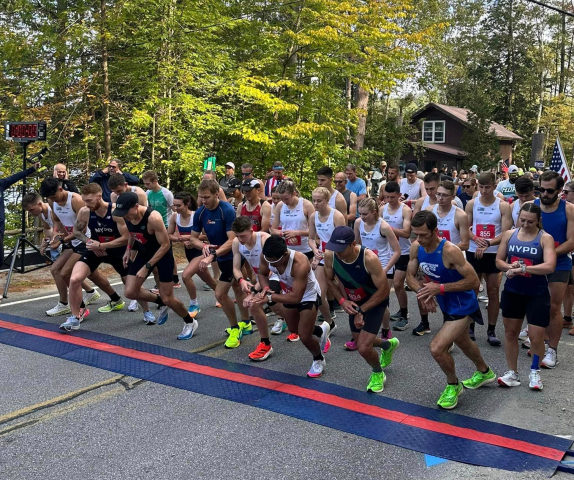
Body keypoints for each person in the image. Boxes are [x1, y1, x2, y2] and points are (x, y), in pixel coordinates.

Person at [406, 211, 496, 410]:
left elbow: (473, 281)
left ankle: (453, 385)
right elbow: (410, 277)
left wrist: (440, 289)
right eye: (416, 235)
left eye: (423, 235)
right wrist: (424, 293)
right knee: (463, 341)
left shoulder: (449, 250)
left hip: (463, 305)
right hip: (446, 304)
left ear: (436, 231)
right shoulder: (416, 247)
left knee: (437, 348)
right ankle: (484, 372)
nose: (419, 239)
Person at [59, 184, 156, 331]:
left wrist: (103, 246)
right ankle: (74, 318)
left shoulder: (116, 211)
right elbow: (77, 232)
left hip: (117, 251)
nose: (87, 204)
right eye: (85, 200)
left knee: (132, 286)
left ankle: (147, 312)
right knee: (74, 279)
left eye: (90, 200)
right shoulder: (85, 212)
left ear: (99, 197)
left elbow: (126, 237)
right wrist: (90, 242)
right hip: (96, 249)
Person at [323, 226, 400, 393]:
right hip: (353, 301)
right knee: (361, 342)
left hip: (375, 300)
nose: (338, 253)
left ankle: (378, 373)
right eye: (335, 248)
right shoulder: (330, 255)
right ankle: (387, 345)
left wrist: (361, 311)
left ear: (353, 244)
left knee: (363, 348)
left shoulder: (369, 258)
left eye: (342, 249)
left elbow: (384, 290)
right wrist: (342, 300)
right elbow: (329, 280)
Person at [113, 191, 197, 338]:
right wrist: (128, 250)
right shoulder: (126, 216)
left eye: (127, 212)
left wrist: (148, 267)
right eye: (122, 213)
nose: (125, 216)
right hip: (144, 253)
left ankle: (190, 322)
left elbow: (165, 245)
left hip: (162, 254)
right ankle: (160, 302)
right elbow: (132, 233)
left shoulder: (153, 218)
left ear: (136, 206)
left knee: (168, 298)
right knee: (130, 292)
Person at [496, 203, 556, 390]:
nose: (526, 224)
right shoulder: (509, 235)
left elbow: (549, 266)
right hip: (513, 292)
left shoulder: (545, 238)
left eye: (530, 221)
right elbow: (499, 261)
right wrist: (509, 268)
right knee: (511, 333)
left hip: (537, 294)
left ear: (539, 221)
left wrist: (524, 269)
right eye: (522, 220)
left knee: (536, 337)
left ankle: (535, 372)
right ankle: (512, 373)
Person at [185, 179, 251, 348]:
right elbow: (193, 238)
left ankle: (235, 328)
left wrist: (211, 255)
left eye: (207, 197)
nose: (204, 201)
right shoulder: (200, 212)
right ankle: (247, 322)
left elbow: (232, 239)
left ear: (216, 194)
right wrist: (204, 246)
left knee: (220, 294)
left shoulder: (226, 210)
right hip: (220, 257)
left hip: (233, 255)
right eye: (201, 197)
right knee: (237, 287)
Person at [253, 235, 330, 378]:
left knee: (305, 336)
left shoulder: (300, 262)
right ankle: (320, 330)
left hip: (308, 294)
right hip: (288, 291)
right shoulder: (267, 256)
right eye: (270, 261)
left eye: (275, 262)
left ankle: (318, 359)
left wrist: (269, 297)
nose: (273, 265)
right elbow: (262, 273)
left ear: (285, 254)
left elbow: (296, 297)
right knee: (294, 329)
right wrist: (265, 288)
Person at [409, 180, 470, 337]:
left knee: (446, 293)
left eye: (444, 195)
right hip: (428, 255)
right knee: (421, 286)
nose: (440, 198)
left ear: (453, 196)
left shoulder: (460, 215)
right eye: (438, 194)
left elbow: (465, 243)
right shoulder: (430, 210)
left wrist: (444, 249)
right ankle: (424, 322)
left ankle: (449, 325)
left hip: (450, 259)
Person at [465, 172, 512, 345]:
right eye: (481, 187)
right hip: (474, 250)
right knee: (473, 290)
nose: (484, 191)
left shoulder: (503, 206)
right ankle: (470, 326)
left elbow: (506, 232)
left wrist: (488, 243)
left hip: (493, 252)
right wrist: (476, 239)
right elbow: (466, 228)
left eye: (487, 187)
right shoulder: (471, 204)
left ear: (494, 186)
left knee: (493, 291)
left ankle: (491, 330)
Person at [533, 171, 574, 368]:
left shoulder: (569, 210)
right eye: (541, 189)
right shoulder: (531, 207)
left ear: (560, 191)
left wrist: (550, 254)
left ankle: (552, 350)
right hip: (534, 263)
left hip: (559, 263)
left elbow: (572, 241)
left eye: (550, 191)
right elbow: (520, 233)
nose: (545, 194)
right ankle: (537, 342)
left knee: (554, 307)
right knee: (535, 305)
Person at [231, 217, 287, 360]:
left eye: (243, 235)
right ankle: (289, 318)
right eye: (237, 235)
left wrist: (254, 292)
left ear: (252, 230)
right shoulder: (237, 243)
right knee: (276, 307)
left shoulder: (264, 240)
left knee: (255, 304)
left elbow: (270, 270)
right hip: (261, 277)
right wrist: (242, 280)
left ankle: (265, 344)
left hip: (276, 274)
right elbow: (236, 269)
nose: (240, 239)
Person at [354, 198, 400, 344]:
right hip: (367, 266)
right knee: (365, 299)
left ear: (374, 212)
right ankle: (361, 333)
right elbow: (357, 245)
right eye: (360, 213)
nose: (362, 217)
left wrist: (386, 269)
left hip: (384, 266)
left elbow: (397, 251)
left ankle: (385, 329)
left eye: (365, 214)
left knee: (380, 302)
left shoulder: (384, 227)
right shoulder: (358, 223)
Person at [309, 187, 346, 333]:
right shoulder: (313, 217)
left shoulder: (336, 216)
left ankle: (359, 324)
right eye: (314, 201)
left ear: (327, 201)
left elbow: (344, 240)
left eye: (319, 201)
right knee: (318, 293)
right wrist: (315, 250)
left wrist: (330, 252)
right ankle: (329, 322)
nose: (316, 204)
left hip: (339, 256)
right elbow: (311, 239)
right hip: (323, 257)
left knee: (347, 293)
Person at [167, 191, 205, 320]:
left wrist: (190, 238)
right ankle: (222, 295)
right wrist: (179, 240)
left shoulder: (196, 216)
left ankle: (194, 304)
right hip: (188, 251)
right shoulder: (174, 217)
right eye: (174, 206)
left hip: (201, 251)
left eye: (179, 206)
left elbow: (206, 235)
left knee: (186, 276)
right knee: (208, 280)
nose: (176, 208)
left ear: (187, 204)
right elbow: (169, 235)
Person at [381, 181, 412, 329]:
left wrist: (388, 229)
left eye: (392, 197)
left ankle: (404, 315)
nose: (389, 200)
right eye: (387, 197)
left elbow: (407, 233)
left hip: (404, 252)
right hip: (387, 253)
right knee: (384, 286)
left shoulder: (405, 210)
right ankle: (383, 314)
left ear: (399, 195)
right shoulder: (382, 209)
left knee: (398, 284)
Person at [0, 160, 41, 264]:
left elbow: (15, 177)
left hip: (0, 228)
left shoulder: (1, 184)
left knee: (0, 259)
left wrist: (32, 169)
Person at [271, 180, 315, 261]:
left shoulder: (307, 205)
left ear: (294, 194)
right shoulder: (280, 206)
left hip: (305, 249)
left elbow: (314, 231)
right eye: (281, 199)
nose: (284, 201)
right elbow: (273, 230)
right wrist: (285, 234)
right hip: (287, 249)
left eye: (286, 199)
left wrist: (296, 233)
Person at [23, 192, 59, 261]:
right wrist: (45, 241)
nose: (31, 213)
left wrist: (51, 240)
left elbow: (59, 230)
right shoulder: (40, 214)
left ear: (39, 204)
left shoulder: (52, 211)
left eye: (31, 210)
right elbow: (47, 228)